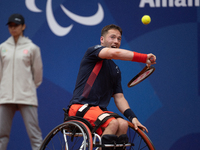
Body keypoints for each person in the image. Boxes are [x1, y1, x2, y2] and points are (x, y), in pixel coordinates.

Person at [67, 24, 156, 148]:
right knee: (112, 123)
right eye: (112, 37)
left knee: (123, 124)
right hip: (79, 108)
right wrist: (143, 58)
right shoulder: (93, 52)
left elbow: (119, 98)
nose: (116, 41)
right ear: (102, 39)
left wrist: (133, 118)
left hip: (99, 112)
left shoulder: (115, 70)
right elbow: (115, 53)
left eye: (119, 39)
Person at [0, 14, 43, 150]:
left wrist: (28, 87)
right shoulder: (2, 48)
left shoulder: (32, 48)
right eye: (10, 26)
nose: (13, 28)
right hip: (5, 97)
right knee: (1, 135)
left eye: (16, 25)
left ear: (23, 26)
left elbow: (38, 74)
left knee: (35, 135)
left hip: (27, 97)